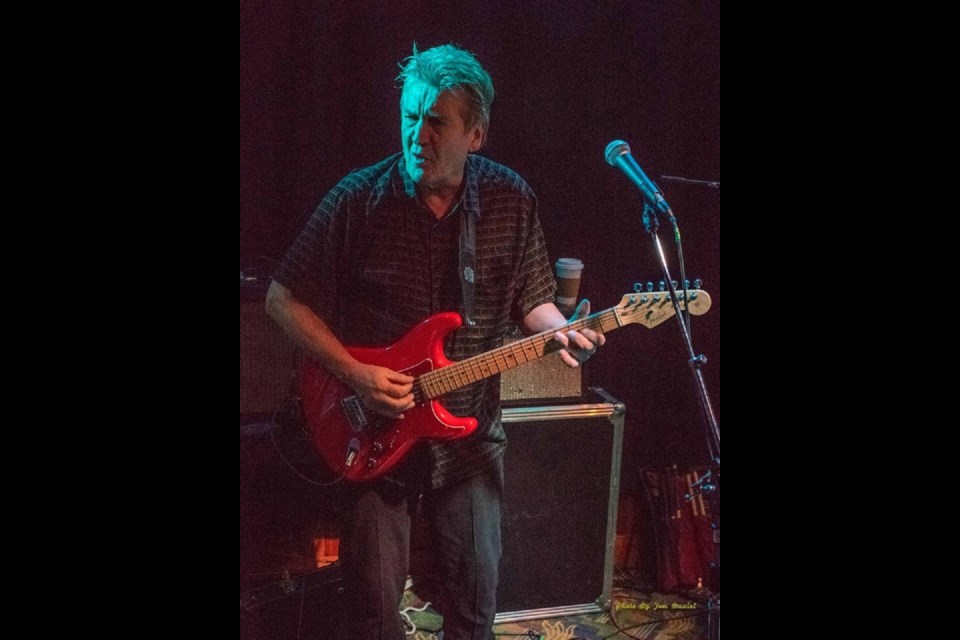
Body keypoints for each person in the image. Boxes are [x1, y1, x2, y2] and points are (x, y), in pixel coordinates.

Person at [266, 43, 606, 640]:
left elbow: (534, 300)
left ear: (475, 135)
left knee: (476, 606)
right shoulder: (357, 199)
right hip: (373, 429)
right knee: (371, 613)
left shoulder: (509, 197)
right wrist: (355, 373)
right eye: (409, 117)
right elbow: (282, 298)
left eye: (436, 121)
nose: (416, 135)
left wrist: (562, 331)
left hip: (469, 438)